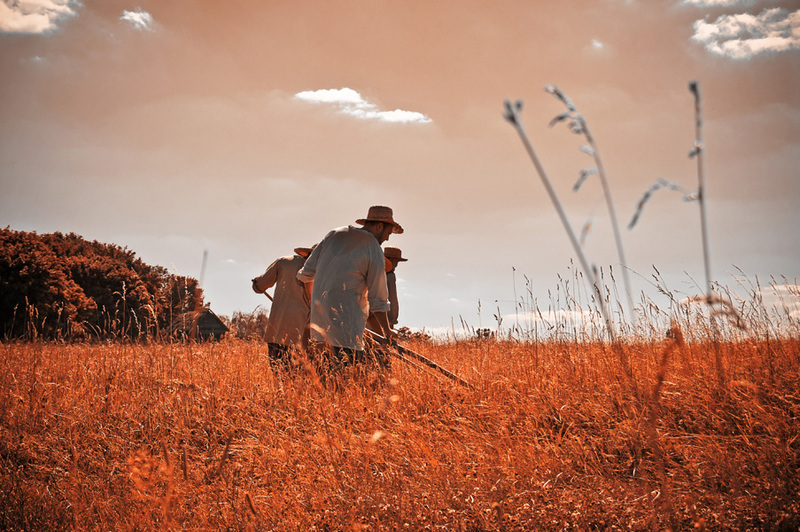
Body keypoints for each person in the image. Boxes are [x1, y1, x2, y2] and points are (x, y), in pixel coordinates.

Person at [297, 205, 402, 375]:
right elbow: (378, 299)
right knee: (343, 386)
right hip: (347, 333)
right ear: (380, 226)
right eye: (388, 233)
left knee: (321, 382)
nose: (387, 239)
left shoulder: (334, 234)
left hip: (318, 332)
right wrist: (387, 332)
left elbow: (305, 275)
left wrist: (314, 307)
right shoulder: (373, 247)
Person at [251, 245, 314, 367]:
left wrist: (256, 282)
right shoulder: (320, 269)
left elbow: (260, 286)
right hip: (304, 336)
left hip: (278, 331)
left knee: (279, 376)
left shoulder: (284, 262)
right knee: (301, 377)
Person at [383, 247, 408, 329]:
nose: (396, 265)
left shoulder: (375, 273)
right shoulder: (390, 276)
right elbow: (392, 300)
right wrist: (392, 320)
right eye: (396, 261)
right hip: (385, 320)